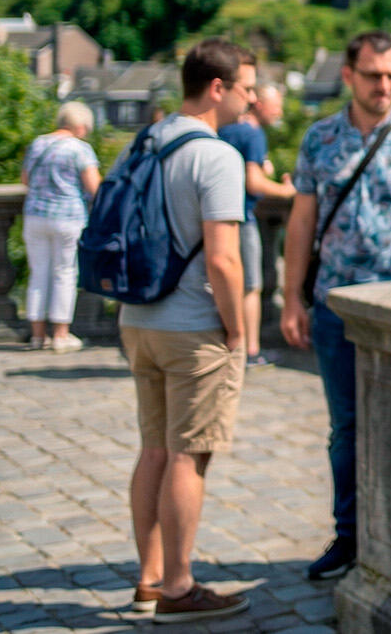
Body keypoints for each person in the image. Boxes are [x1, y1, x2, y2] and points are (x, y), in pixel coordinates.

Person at [280, 30, 391, 582]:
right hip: (336, 305)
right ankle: (350, 537)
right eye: (373, 76)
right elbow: (302, 222)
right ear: (348, 76)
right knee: (347, 429)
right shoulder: (319, 138)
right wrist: (290, 298)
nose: (384, 86)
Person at [121, 38, 258, 623]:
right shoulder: (218, 156)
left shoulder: (145, 139)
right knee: (188, 457)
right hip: (193, 325)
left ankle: (149, 579)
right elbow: (225, 260)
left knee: (153, 450)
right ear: (218, 88)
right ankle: (178, 586)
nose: (251, 101)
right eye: (246, 88)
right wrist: (236, 330)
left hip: (139, 319)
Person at [218, 84, 295, 367]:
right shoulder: (253, 133)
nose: (280, 112)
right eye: (277, 106)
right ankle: (250, 351)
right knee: (251, 285)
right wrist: (288, 191)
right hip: (243, 216)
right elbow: (253, 182)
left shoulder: (225, 129)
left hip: (217, 217)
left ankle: (229, 346)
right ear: (260, 104)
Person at [19, 100, 102, 352]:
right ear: (79, 125)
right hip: (67, 216)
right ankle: (61, 335)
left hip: (34, 215)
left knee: (38, 273)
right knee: (64, 272)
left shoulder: (38, 143)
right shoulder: (80, 149)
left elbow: (25, 179)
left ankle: (36, 335)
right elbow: (95, 188)